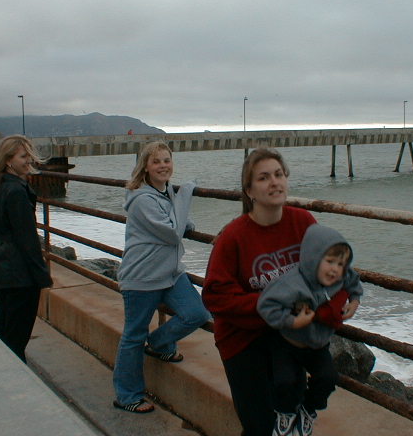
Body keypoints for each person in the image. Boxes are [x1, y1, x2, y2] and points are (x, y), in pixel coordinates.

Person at [201, 147, 317, 436]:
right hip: (243, 339)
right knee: (261, 426)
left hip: (288, 336)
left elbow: (328, 271)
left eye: (278, 175)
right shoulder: (233, 237)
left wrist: (347, 297)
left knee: (291, 419)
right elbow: (215, 296)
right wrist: (276, 306)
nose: (274, 182)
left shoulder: (303, 223)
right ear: (249, 191)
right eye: (264, 178)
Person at [112, 141, 210, 414]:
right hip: (143, 276)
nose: (163, 166)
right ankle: (127, 396)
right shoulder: (142, 199)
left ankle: (158, 343)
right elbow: (172, 233)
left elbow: (176, 224)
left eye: (167, 160)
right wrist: (185, 193)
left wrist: (181, 215)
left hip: (170, 273)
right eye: (156, 161)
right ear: (145, 166)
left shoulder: (165, 192)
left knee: (196, 313)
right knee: (134, 336)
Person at [257, 224, 363, 436]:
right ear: (312, 258)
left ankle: (308, 409)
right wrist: (292, 322)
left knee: (328, 378)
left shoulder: (341, 276)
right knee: (284, 382)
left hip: (317, 345)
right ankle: (285, 412)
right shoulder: (291, 283)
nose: (335, 269)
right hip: (287, 342)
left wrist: (355, 300)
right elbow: (265, 305)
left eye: (340, 264)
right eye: (329, 261)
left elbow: (353, 280)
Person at [0, 135, 53, 363]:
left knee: (6, 331)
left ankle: (5, 373)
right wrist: (42, 275)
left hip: (3, 270)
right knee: (17, 338)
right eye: (23, 156)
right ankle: (15, 378)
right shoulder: (16, 192)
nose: (29, 160)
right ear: (8, 160)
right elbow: (27, 240)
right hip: (21, 276)